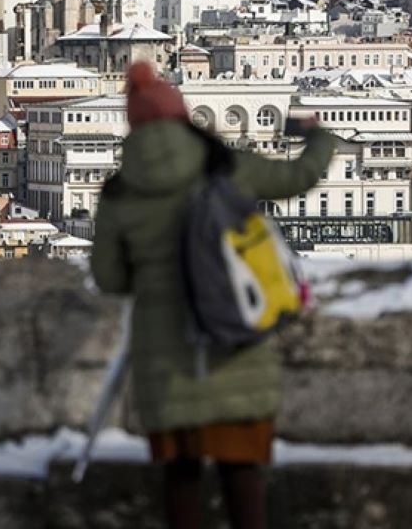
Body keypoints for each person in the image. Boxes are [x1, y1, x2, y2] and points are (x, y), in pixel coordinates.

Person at [91, 62, 336, 529]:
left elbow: (109, 278)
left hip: (165, 358)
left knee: (181, 478)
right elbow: (299, 178)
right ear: (182, 114)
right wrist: (319, 138)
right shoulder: (225, 166)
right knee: (242, 475)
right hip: (233, 343)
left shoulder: (120, 192)